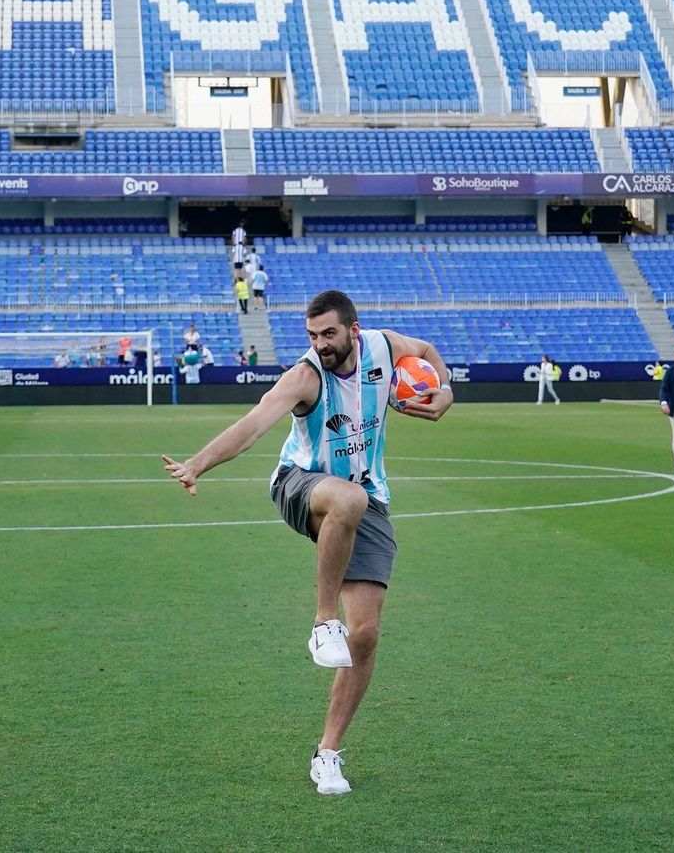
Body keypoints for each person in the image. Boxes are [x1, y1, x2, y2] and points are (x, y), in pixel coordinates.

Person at [161, 289, 454, 796]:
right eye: (312, 335)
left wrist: (445, 389)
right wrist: (196, 464)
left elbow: (426, 351)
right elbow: (253, 424)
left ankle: (327, 754)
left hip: (366, 494)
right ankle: (322, 622)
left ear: (354, 330)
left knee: (365, 634)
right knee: (346, 500)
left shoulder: (385, 346)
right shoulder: (305, 376)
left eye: (329, 334)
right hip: (299, 483)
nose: (319, 344)